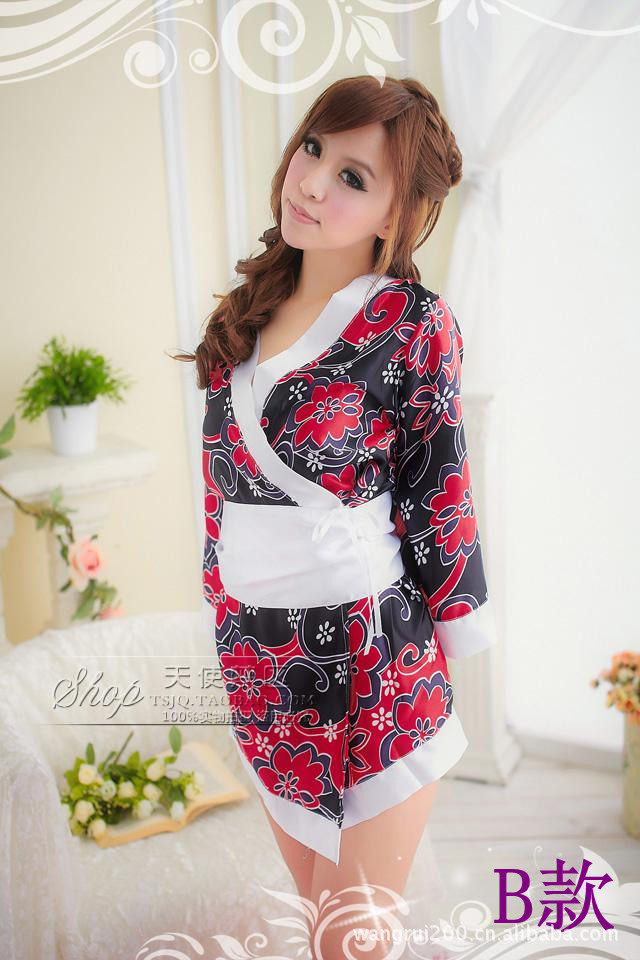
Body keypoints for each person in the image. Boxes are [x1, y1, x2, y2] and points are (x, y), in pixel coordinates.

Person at [176, 74, 497, 957]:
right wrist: (220, 608)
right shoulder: (243, 317)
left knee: (348, 941)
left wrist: (460, 628)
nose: (312, 182)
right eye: (314, 149)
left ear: (398, 215)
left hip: (373, 660)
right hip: (263, 664)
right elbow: (218, 495)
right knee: (321, 922)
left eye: (354, 177)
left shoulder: (412, 322)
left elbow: (439, 485)